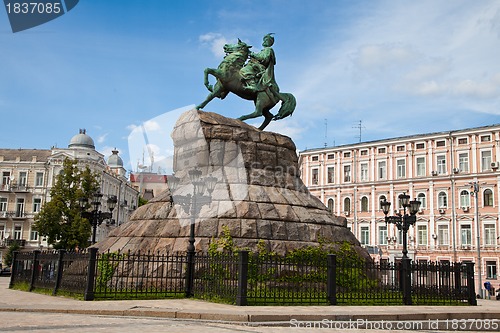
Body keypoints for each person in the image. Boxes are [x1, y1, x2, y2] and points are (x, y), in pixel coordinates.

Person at [240, 33, 279, 99]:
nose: (264, 41)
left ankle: (253, 85)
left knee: (245, 70)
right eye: (264, 40)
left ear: (269, 42)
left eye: (266, 40)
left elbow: (264, 59)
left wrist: (253, 54)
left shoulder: (268, 49)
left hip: (261, 68)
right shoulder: (264, 50)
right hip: (256, 66)